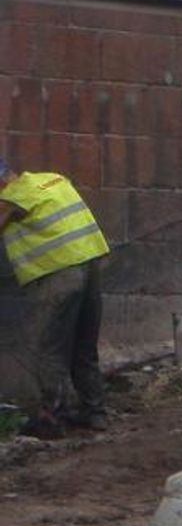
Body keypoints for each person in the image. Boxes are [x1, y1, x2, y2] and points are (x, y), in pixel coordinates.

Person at [0, 159, 110, 435]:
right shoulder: (52, 178)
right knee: (84, 345)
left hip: (61, 273)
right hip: (91, 264)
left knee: (49, 345)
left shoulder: (12, 197)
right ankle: (94, 412)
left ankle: (50, 417)